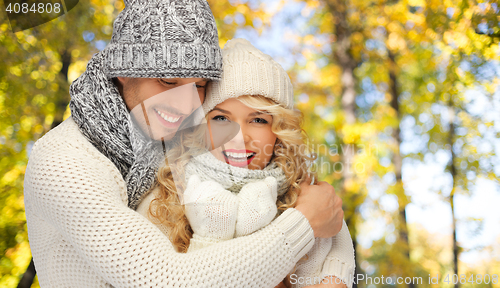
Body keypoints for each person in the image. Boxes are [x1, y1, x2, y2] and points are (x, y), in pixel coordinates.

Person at [23, 1, 345, 287]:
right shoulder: (63, 161)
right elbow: (167, 279)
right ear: (123, 72)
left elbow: (324, 210)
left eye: (201, 85)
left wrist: (333, 275)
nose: (184, 103)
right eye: (168, 80)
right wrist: (303, 223)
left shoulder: (171, 130)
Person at [137, 39, 355, 288]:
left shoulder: (309, 197)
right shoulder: (162, 201)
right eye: (221, 118)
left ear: (280, 130)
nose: (239, 137)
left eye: (258, 120)